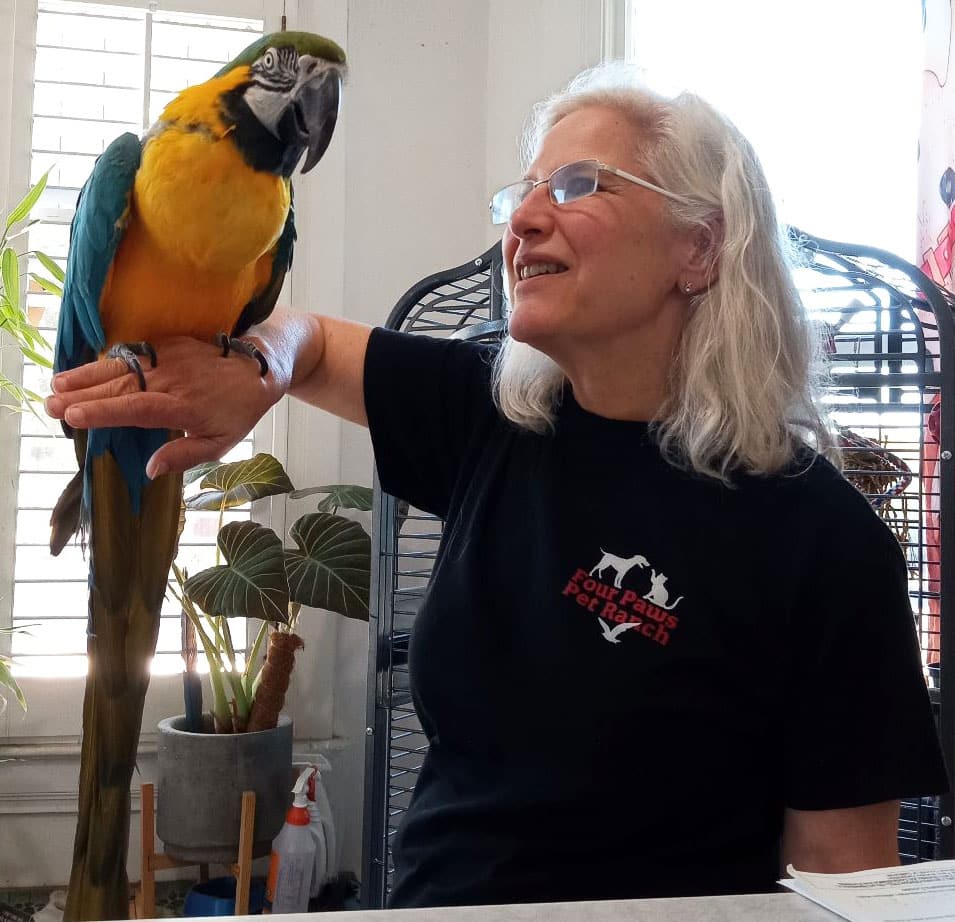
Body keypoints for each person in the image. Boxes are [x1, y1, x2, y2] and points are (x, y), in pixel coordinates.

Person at [46, 64, 948, 907]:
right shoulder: (493, 418)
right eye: (519, 194)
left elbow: (843, 877)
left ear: (699, 249)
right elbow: (310, 337)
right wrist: (259, 365)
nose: (519, 223)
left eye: (575, 186)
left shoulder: (819, 536)